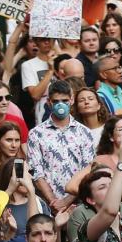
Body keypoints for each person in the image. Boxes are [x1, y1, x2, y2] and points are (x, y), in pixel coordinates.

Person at [27, 80, 96, 212]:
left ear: (72, 100)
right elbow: (36, 171)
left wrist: (66, 201)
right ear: (49, 102)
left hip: (79, 206)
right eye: (56, 101)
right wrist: (53, 201)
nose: (60, 105)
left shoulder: (84, 132)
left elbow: (88, 170)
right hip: (47, 207)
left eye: (64, 101)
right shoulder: (36, 134)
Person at [20, 37, 55, 124]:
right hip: (43, 114)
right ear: (36, 42)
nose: (47, 42)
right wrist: (50, 71)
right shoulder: (28, 65)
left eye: (50, 39)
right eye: (43, 39)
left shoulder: (63, 60)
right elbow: (35, 95)